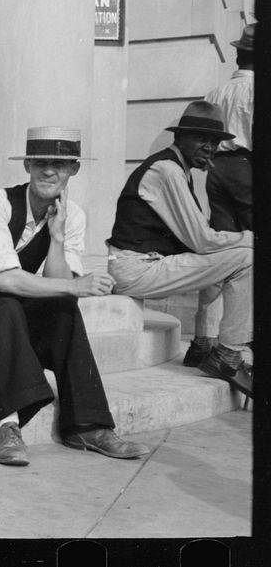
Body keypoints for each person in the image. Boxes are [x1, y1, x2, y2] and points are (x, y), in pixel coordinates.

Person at [0, 126, 149, 467]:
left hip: (3, 318)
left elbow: (58, 285)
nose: (49, 171)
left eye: (60, 164)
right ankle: (7, 424)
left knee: (62, 310)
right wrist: (77, 286)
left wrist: (56, 240)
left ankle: (87, 425)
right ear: (27, 165)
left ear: (74, 169)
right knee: (7, 304)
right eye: (41, 162)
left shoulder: (71, 215)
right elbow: (6, 281)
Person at [107, 101, 252, 398]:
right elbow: (201, 240)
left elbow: (199, 243)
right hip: (136, 268)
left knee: (226, 261)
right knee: (249, 258)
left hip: (143, 264)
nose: (209, 147)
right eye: (201, 138)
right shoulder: (167, 170)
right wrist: (249, 237)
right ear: (180, 137)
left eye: (213, 141)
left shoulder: (177, 169)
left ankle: (202, 346)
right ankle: (228, 356)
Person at [203, 23, 254, 232]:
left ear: (237, 57)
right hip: (247, 168)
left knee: (224, 238)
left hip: (215, 170)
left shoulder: (214, 94)